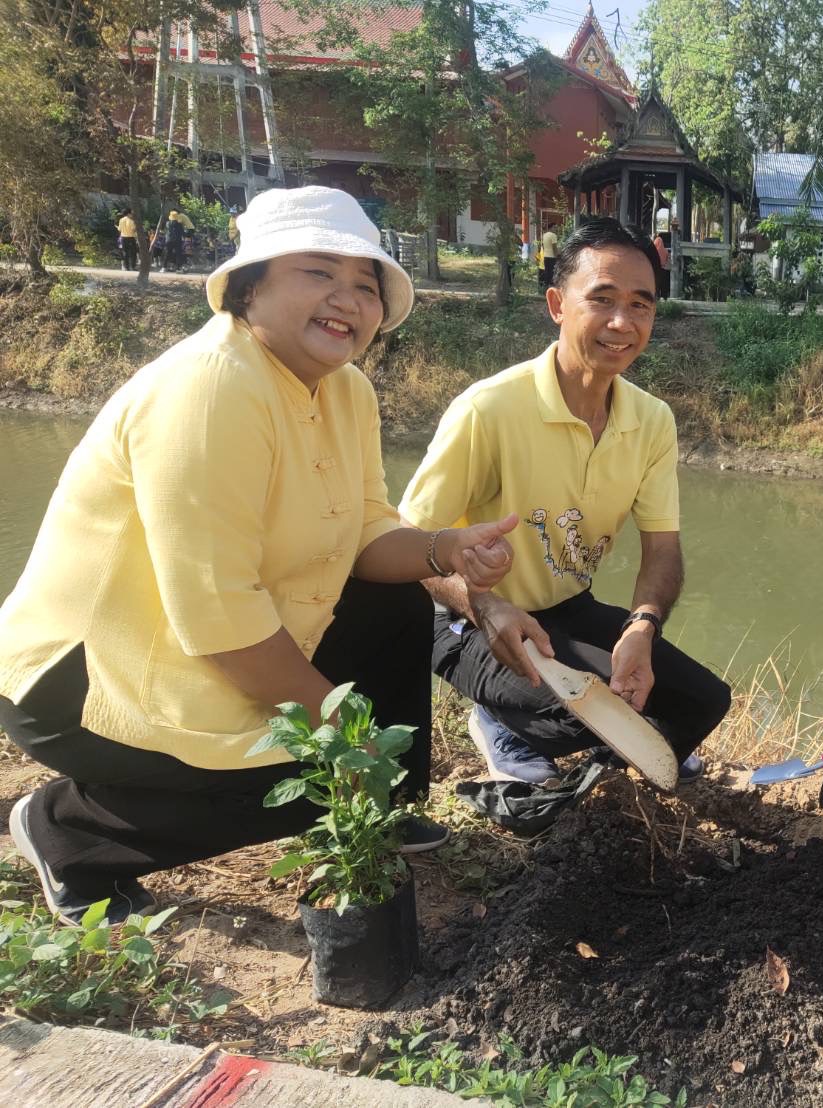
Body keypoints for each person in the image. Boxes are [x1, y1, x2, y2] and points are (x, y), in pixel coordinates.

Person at [0, 186, 518, 927]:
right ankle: (67, 829)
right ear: (250, 287)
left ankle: (380, 805)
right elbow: (219, 615)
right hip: (84, 682)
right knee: (312, 779)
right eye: (317, 272)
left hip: (207, 646)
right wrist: (342, 739)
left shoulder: (347, 391)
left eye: (366, 285)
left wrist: (445, 550)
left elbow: (368, 530)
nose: (347, 298)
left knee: (398, 601)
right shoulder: (211, 387)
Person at [400, 217, 732, 787]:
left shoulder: (652, 421)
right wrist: (481, 603)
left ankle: (614, 747)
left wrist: (641, 628)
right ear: (557, 304)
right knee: (583, 711)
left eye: (640, 305)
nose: (622, 323)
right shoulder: (490, 409)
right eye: (601, 300)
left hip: (567, 606)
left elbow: (662, 548)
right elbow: (405, 544)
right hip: (462, 615)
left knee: (704, 701)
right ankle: (502, 725)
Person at [651, 229, 671, 299]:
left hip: (656, 269)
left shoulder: (653, 250)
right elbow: (667, 261)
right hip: (664, 270)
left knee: (656, 285)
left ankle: (657, 297)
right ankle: (664, 297)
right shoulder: (665, 251)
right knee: (664, 285)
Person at [540, 225, 559, 290]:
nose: (556, 229)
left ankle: (546, 287)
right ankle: (551, 288)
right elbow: (554, 247)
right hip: (552, 257)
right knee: (552, 272)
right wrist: (557, 256)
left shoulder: (544, 235)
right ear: (551, 228)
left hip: (546, 256)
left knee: (547, 272)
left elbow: (542, 245)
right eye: (555, 228)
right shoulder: (553, 235)